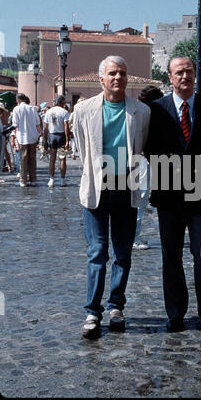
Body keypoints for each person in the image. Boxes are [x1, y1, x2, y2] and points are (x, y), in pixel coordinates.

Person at [144, 56, 201, 332]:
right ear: (170, 77)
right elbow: (149, 149)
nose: (184, 76)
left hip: (200, 195)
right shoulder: (156, 110)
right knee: (171, 256)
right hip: (168, 195)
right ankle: (176, 313)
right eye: (179, 72)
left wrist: (197, 171)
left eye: (189, 71)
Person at [73, 55, 150, 338]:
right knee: (97, 252)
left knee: (123, 253)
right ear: (101, 79)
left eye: (123, 73)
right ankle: (92, 312)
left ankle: (116, 306)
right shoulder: (83, 111)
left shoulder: (141, 112)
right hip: (96, 189)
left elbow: (141, 146)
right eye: (113, 73)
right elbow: (82, 149)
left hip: (126, 188)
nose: (118, 78)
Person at [133, 85, 164, 250]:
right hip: (145, 159)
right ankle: (134, 237)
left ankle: (132, 235)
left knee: (138, 199)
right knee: (140, 199)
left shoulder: (138, 112)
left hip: (138, 158)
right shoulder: (151, 113)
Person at [12, 93, 40, 187]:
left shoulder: (16, 109)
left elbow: (15, 123)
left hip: (22, 137)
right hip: (32, 136)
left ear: (18, 100)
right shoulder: (33, 108)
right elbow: (37, 122)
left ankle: (23, 180)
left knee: (23, 159)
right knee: (32, 159)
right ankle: (33, 179)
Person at [43, 95, 70, 187]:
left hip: (52, 136)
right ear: (62, 103)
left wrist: (45, 140)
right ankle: (62, 180)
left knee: (52, 159)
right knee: (62, 159)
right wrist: (67, 140)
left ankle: (51, 179)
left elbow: (45, 128)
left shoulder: (48, 112)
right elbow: (66, 126)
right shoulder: (64, 112)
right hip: (61, 136)